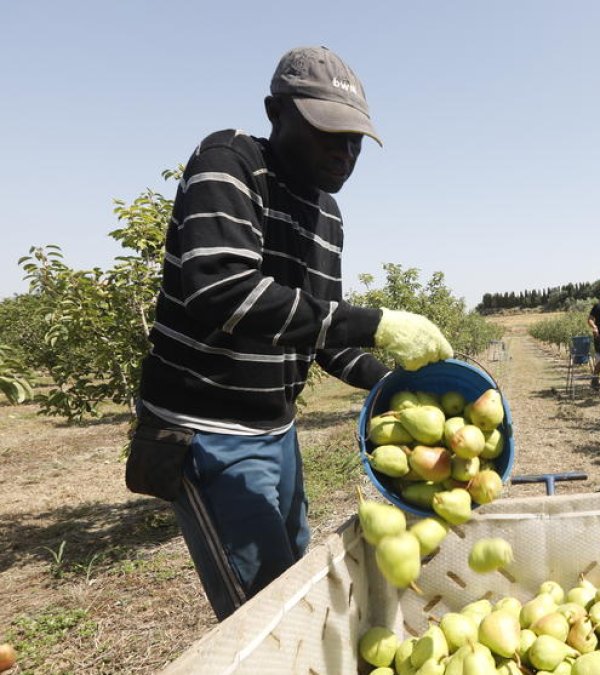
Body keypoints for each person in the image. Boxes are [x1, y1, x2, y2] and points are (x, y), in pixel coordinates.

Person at [127, 46, 452, 620]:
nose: (344, 153)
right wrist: (376, 323)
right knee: (268, 608)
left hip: (277, 430)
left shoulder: (326, 213)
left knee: (298, 574)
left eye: (354, 141)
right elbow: (218, 288)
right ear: (276, 112)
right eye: (329, 134)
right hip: (208, 432)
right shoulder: (230, 159)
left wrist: (398, 385)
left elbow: (321, 332)